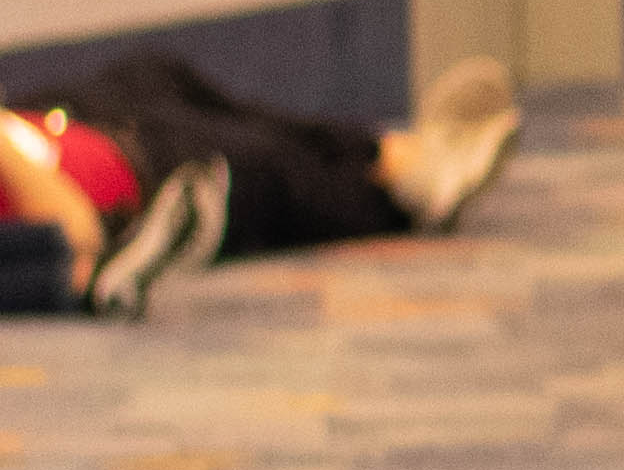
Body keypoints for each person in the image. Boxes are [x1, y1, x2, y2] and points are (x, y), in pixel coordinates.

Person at [0, 51, 522, 312]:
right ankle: (411, 194)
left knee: (155, 72)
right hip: (130, 179)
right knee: (258, 166)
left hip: (65, 119)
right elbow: (76, 233)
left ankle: (390, 149)